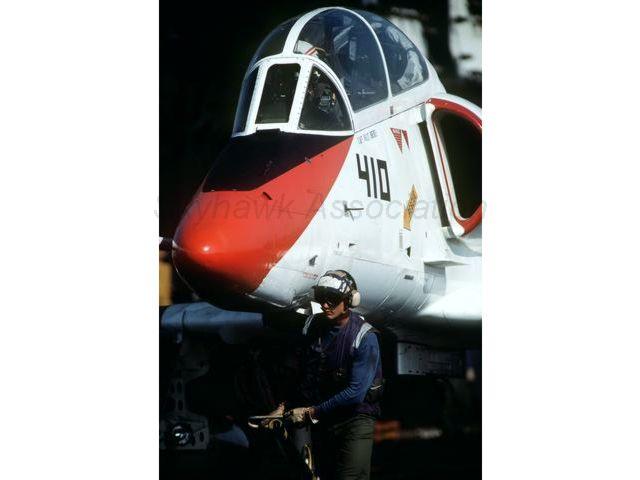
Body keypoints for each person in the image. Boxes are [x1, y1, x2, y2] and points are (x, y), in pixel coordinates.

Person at [284, 270, 383, 480]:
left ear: (349, 301)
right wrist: (285, 405)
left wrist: (312, 411)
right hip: (325, 418)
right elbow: (304, 372)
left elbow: (355, 393)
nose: (325, 305)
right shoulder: (313, 326)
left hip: (355, 419)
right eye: (322, 298)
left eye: (333, 299)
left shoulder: (365, 337)